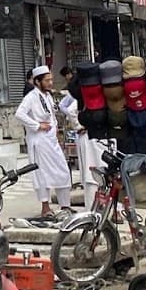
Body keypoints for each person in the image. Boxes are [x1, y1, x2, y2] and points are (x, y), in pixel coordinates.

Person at [14, 66, 73, 221]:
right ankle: (45, 207)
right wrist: (37, 125)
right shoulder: (31, 97)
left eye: (51, 79)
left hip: (51, 141)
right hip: (39, 142)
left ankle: (65, 205)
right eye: (47, 80)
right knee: (42, 175)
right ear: (38, 81)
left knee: (63, 170)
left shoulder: (47, 96)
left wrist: (56, 133)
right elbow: (19, 114)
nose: (50, 83)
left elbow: (51, 116)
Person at [58, 65, 100, 205]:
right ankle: (97, 210)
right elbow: (70, 110)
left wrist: (79, 126)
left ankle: (96, 208)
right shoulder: (88, 94)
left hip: (91, 137)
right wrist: (79, 126)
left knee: (91, 176)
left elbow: (70, 111)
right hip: (91, 138)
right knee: (92, 176)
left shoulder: (85, 93)